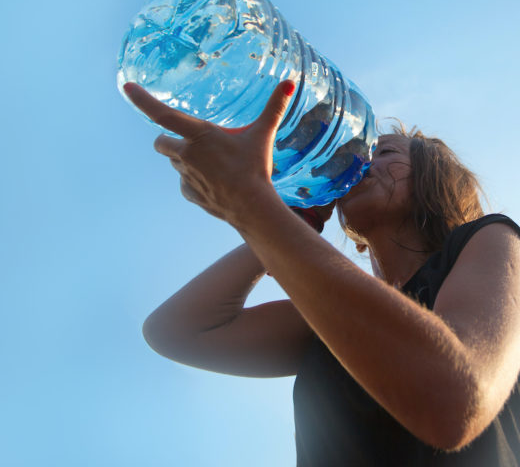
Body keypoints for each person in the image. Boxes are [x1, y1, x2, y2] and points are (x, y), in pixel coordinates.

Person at [124, 80, 520, 466]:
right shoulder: (332, 317)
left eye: (385, 153)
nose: (362, 161)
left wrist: (250, 202)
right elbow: (175, 331)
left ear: (434, 178)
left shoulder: (490, 238)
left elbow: (454, 403)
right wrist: (290, 218)